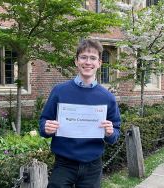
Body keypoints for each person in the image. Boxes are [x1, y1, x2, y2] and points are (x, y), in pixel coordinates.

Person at [39, 39, 121, 188]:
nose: (87, 62)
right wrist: (46, 127)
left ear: (99, 63)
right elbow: (43, 122)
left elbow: (115, 134)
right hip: (64, 164)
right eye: (83, 57)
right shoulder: (59, 91)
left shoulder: (107, 97)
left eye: (92, 58)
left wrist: (110, 132)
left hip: (93, 165)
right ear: (76, 61)